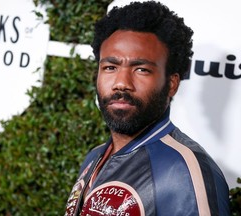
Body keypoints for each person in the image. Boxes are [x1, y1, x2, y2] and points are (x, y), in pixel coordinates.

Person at [65, 1, 230, 215]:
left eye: (141, 69)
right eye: (110, 67)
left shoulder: (184, 171)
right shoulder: (94, 156)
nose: (121, 82)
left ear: (172, 83)